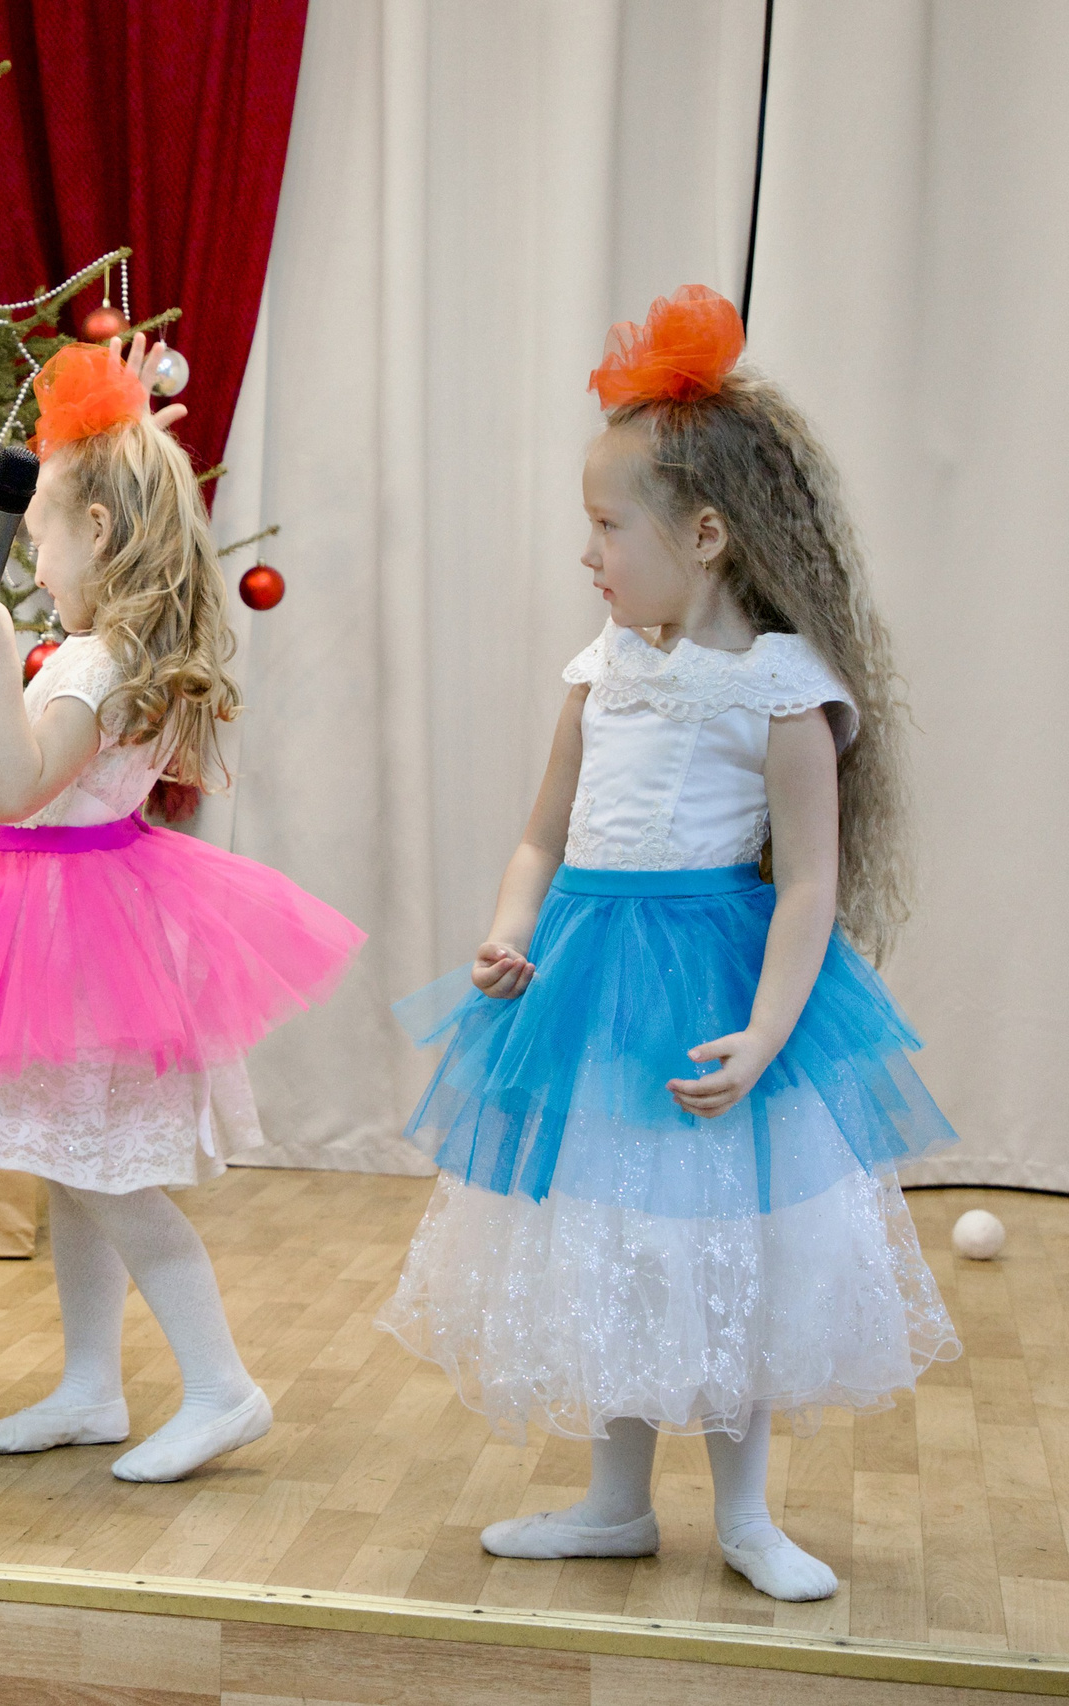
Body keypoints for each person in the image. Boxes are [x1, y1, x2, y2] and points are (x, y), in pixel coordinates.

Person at [376, 286, 960, 1601]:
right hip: (587, 983)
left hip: (712, 982)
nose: (587, 552)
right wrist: (508, 929)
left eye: (604, 526)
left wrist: (763, 1034)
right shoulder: (603, 667)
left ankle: (746, 1511)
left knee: (724, 1243)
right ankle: (614, 1500)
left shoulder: (782, 687)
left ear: (703, 533)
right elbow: (543, 833)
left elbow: (808, 886)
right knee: (615, 1236)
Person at [0, 342, 364, 1483]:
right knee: (67, 1163)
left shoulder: (94, 661)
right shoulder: (93, 651)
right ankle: (91, 1383)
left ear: (98, 531)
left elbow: (25, 785)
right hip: (51, 917)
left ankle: (222, 1385)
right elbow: (9, 784)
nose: (28, 552)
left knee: (104, 1173)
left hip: (76, 931)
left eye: (40, 529)